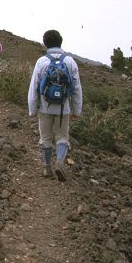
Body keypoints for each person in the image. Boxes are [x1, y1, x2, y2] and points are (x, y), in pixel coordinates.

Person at [28, 30, 83, 181]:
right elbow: (77, 88)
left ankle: (47, 168)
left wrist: (32, 109)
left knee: (45, 137)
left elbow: (34, 86)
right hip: (63, 108)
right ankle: (60, 161)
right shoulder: (70, 61)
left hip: (45, 107)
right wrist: (76, 110)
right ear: (61, 41)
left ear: (45, 43)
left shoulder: (42, 61)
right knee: (62, 136)